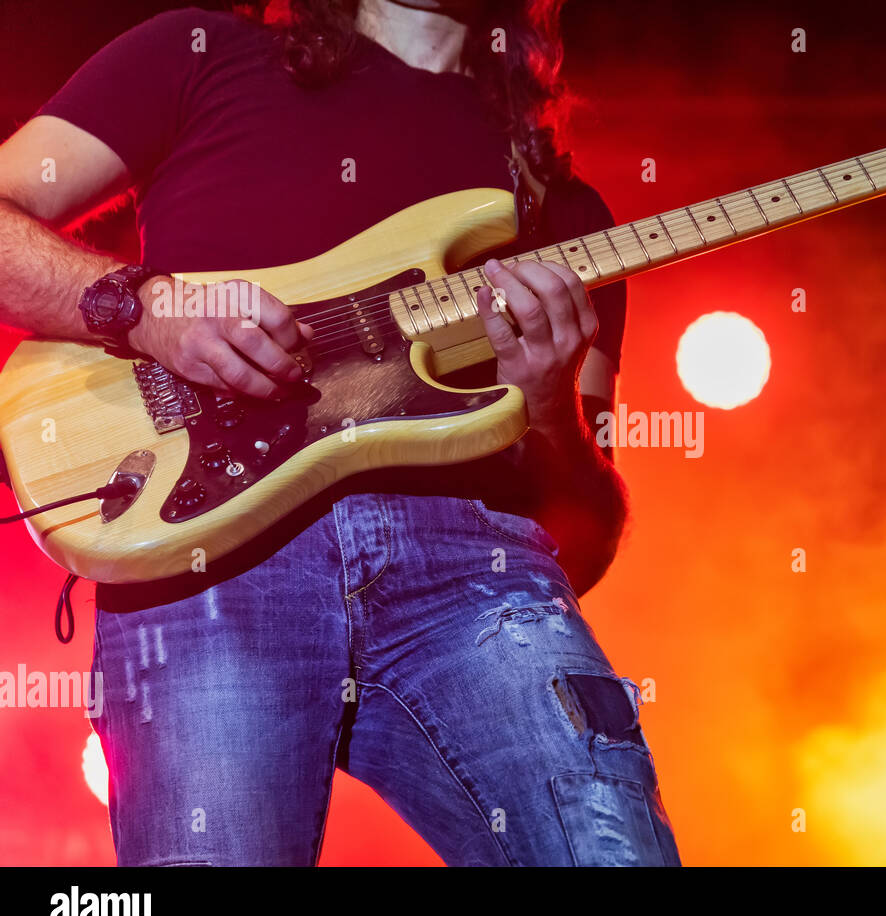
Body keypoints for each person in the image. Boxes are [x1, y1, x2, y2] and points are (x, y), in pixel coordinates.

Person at [0, 0, 680, 866]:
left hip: (473, 575)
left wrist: (546, 398)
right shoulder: (196, 53)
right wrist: (145, 308)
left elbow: (584, 538)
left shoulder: (563, 210)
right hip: (211, 558)